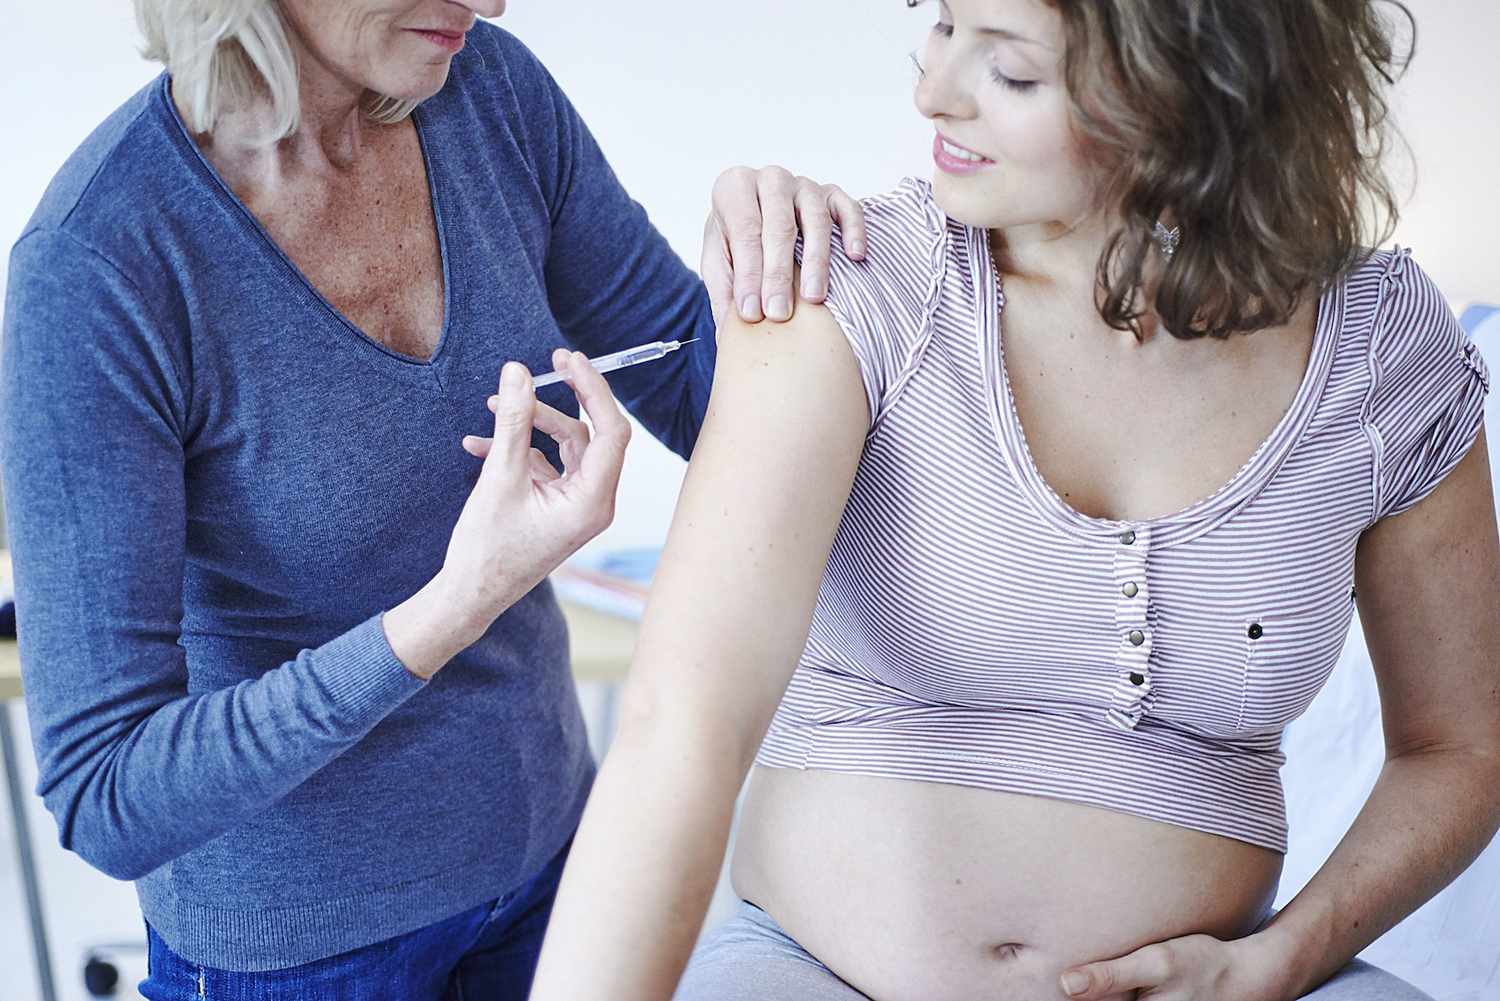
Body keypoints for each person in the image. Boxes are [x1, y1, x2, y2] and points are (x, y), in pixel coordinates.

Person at [526, 1, 1500, 999]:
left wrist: (1280, 958)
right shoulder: (852, 285)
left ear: (1191, 90)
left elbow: (1458, 747)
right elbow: (675, 726)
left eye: (1013, 71)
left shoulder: (1384, 349)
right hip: (819, 972)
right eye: (946, 25)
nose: (932, 91)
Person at [0, 1, 867, 996]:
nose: (492, 0)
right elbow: (106, 793)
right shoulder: (100, 264)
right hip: (302, 955)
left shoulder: (489, 94)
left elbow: (698, 385)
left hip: (560, 869)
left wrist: (773, 259)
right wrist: (455, 603)